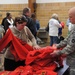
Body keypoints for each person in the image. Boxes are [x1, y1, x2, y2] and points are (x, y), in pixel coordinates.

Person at [50, 7, 75, 75]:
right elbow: (68, 39)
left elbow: (71, 47)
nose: (69, 19)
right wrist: (58, 45)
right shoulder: (73, 26)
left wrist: (58, 53)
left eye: (71, 17)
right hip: (71, 61)